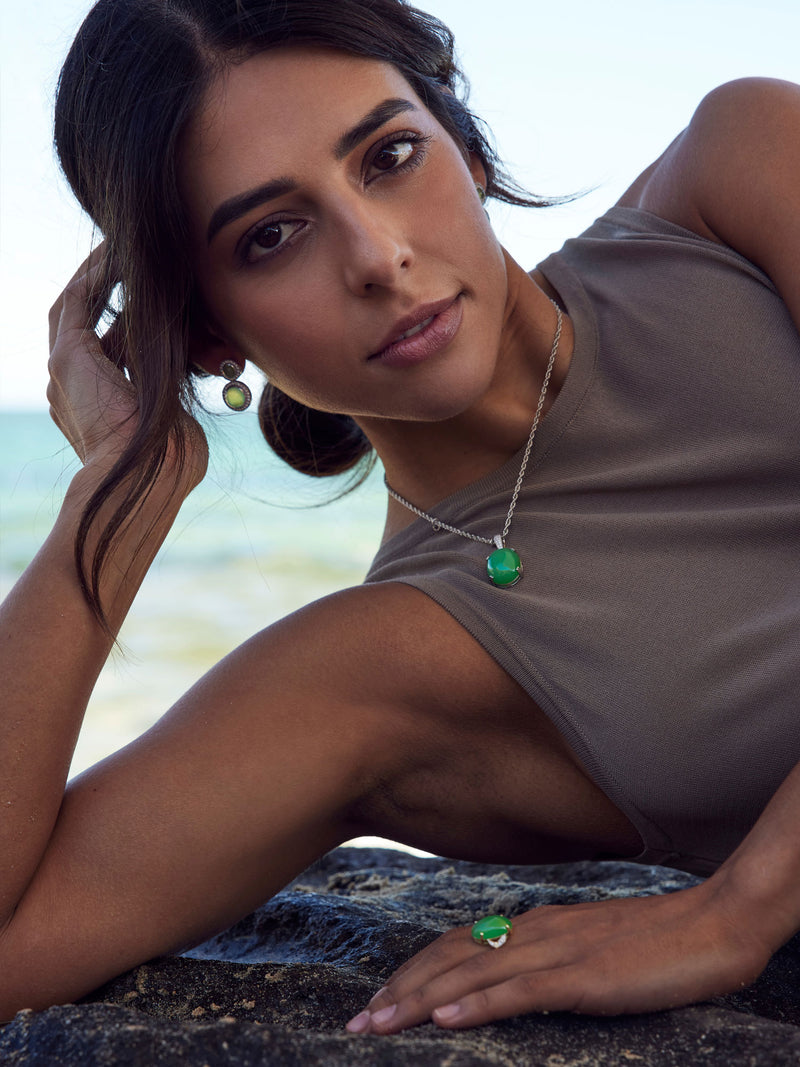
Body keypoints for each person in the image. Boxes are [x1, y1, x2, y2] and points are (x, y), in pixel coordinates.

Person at [1, 0, 798, 1036]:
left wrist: (739, 908)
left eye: (388, 156)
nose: (376, 256)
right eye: (270, 235)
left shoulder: (738, 174)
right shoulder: (379, 669)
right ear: (205, 334)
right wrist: (118, 488)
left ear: (463, 147)